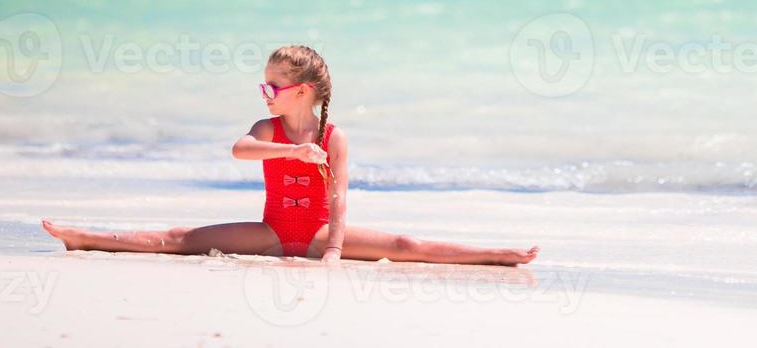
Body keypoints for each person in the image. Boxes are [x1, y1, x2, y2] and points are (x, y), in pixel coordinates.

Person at [43, 44, 539, 266]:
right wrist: (292, 149)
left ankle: (495, 253)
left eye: (272, 85)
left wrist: (334, 251)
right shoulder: (268, 128)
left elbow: (339, 198)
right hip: (271, 231)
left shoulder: (334, 138)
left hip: (321, 233)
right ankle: (84, 238)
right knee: (179, 237)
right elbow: (240, 150)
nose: (265, 91)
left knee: (407, 242)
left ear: (301, 91)